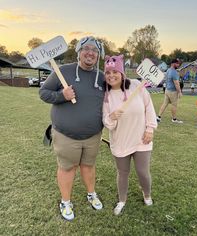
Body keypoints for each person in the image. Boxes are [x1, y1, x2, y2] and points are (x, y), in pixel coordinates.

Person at [39, 36, 105, 221]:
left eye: (95, 50)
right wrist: (62, 95)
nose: (90, 53)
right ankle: (65, 202)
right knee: (67, 168)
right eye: (86, 49)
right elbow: (43, 92)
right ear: (78, 52)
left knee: (88, 166)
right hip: (66, 134)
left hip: (93, 135)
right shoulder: (63, 71)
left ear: (98, 55)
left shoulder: (102, 76)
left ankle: (91, 193)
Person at [102, 55, 157, 215]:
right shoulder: (106, 96)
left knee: (142, 171)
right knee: (122, 172)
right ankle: (122, 200)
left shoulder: (136, 86)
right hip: (120, 141)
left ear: (122, 73)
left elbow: (149, 107)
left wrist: (150, 128)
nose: (111, 75)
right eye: (107, 73)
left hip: (141, 139)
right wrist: (112, 117)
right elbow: (107, 122)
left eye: (115, 71)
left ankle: (147, 195)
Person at [156, 58, 183, 124]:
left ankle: (158, 117)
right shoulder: (174, 72)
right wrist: (179, 92)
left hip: (167, 90)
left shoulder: (168, 70)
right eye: (177, 63)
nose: (178, 65)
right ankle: (174, 119)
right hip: (172, 91)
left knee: (164, 104)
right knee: (174, 105)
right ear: (173, 64)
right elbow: (176, 83)